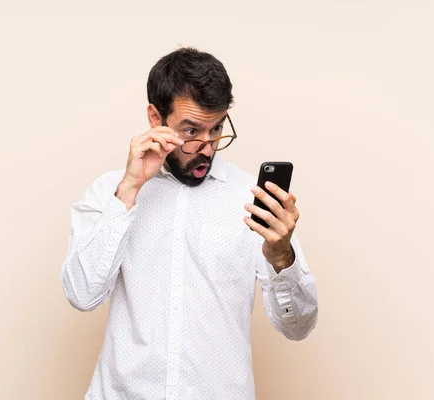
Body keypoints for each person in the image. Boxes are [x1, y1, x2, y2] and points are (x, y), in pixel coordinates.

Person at [61, 47, 318, 400]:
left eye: (217, 129)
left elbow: (298, 327)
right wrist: (129, 191)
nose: (208, 148)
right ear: (155, 117)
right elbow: (81, 294)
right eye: (192, 130)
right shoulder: (110, 191)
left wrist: (281, 257)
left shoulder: (251, 198)